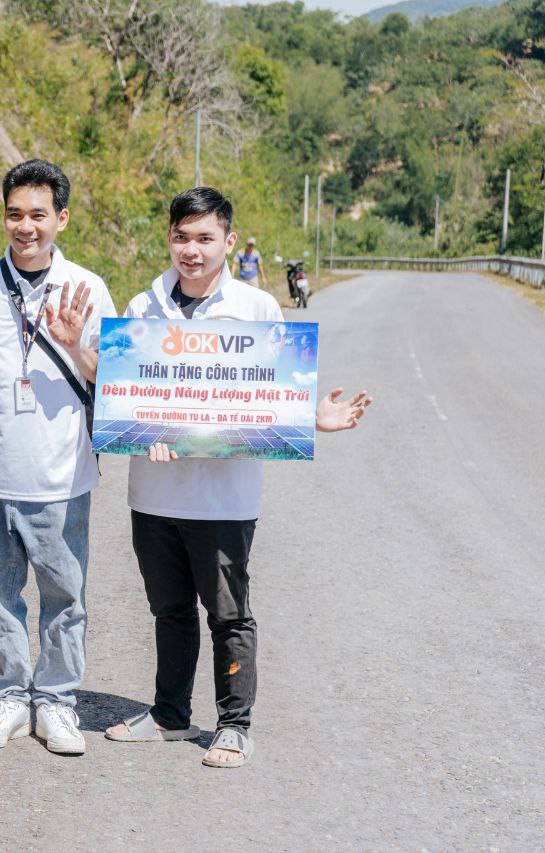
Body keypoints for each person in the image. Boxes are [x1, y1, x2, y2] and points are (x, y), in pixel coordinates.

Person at [104, 187, 371, 767]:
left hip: (224, 499)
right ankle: (170, 716)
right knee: (169, 611)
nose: (192, 250)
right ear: (168, 238)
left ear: (229, 242)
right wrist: (140, 431)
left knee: (228, 614)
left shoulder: (257, 309)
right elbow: (126, 390)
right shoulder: (143, 307)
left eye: (205, 238)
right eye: (181, 237)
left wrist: (312, 418)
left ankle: (234, 725)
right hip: (153, 492)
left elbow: (269, 393)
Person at [0, 160, 118, 756]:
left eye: (38, 215)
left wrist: (74, 346)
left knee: (65, 597)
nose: (26, 227)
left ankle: (58, 700)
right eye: (15, 214)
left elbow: (112, 383)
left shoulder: (88, 287)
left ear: (61, 219)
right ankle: (7, 696)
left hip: (62, 474)